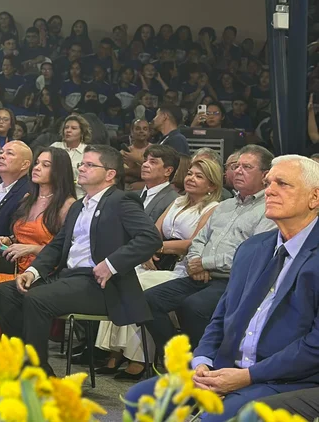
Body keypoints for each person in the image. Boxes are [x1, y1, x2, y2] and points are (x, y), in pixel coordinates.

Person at [126, 154, 319, 422]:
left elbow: (315, 348)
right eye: (269, 182)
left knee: (216, 418)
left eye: (283, 184)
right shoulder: (253, 248)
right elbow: (222, 315)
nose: (270, 190)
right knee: (142, 400)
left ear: (315, 198)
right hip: (226, 369)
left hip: (288, 380)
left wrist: (246, 377)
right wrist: (203, 360)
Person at [0, 145, 162, 376]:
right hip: (67, 278)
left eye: (90, 165)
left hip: (101, 284)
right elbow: (57, 246)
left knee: (37, 299)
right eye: (82, 164)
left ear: (110, 174)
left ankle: (39, 374)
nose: (82, 168)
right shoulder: (79, 205)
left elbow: (150, 238)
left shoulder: (121, 201)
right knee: (5, 292)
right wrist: (32, 272)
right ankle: (24, 361)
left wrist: (110, 264)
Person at [95, 156, 223, 380]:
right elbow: (153, 232)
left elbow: (192, 243)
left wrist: (158, 248)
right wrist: (148, 249)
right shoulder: (178, 202)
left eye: (199, 176)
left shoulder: (213, 208)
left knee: (138, 286)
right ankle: (116, 351)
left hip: (181, 267)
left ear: (212, 185)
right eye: (190, 173)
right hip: (156, 261)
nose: (191, 178)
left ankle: (139, 358)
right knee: (122, 277)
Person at [142, 145, 276, 351]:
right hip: (198, 275)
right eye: (236, 166)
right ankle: (177, 358)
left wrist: (203, 263)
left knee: (193, 306)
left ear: (265, 175)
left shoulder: (268, 208)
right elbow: (199, 240)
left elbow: (251, 255)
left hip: (232, 280)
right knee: (148, 300)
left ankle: (204, 361)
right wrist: (194, 263)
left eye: (247, 167)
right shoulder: (226, 205)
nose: (238, 171)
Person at [0, 148, 77, 338]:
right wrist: (7, 240)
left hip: (44, 269)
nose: (37, 168)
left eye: (45, 165)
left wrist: (32, 249)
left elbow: (66, 250)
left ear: (59, 171)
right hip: (14, 264)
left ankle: (9, 346)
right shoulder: (29, 198)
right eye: (37, 163)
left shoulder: (67, 205)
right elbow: (19, 233)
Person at [137, 144, 181, 224]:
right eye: (145, 161)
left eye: (153, 162)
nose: (144, 165)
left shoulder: (175, 201)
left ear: (168, 171)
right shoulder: (131, 196)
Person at [52, 114, 92, 197]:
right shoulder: (55, 147)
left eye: (73, 128)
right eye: (66, 127)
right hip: (54, 194)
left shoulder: (88, 152)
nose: (68, 130)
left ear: (82, 132)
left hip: (78, 196)